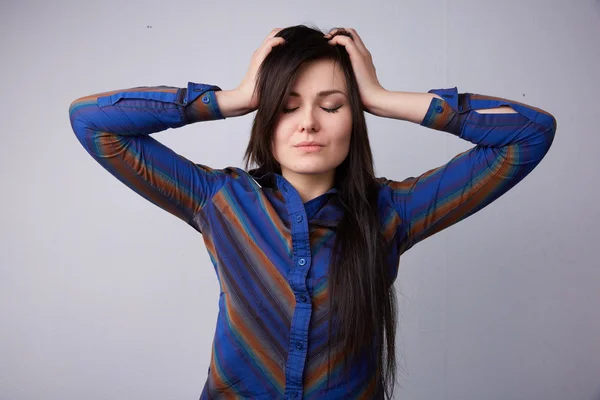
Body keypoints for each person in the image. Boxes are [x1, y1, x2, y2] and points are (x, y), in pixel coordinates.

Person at [68, 25, 557, 400]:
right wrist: (233, 98)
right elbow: (92, 123)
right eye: (287, 105)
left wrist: (383, 99)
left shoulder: (392, 212)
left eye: (333, 105)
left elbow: (530, 135)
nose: (307, 123)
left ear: (355, 119)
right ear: (266, 116)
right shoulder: (219, 201)